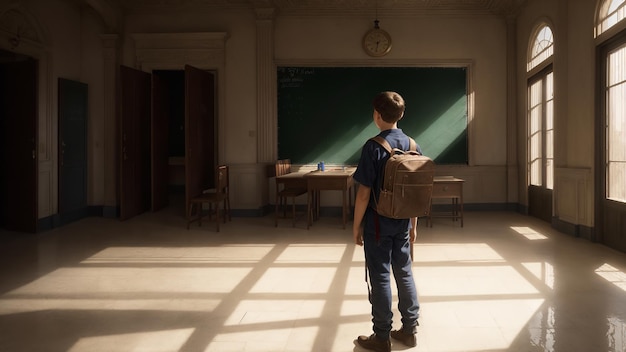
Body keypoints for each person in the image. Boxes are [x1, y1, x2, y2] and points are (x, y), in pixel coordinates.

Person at [353, 91, 420, 352]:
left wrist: (356, 225)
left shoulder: (373, 147)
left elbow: (363, 193)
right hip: (403, 222)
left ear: (377, 116)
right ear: (401, 114)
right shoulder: (414, 146)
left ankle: (381, 336)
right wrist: (414, 225)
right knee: (404, 272)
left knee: (380, 274)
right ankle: (409, 330)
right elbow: (414, 193)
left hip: (378, 223)